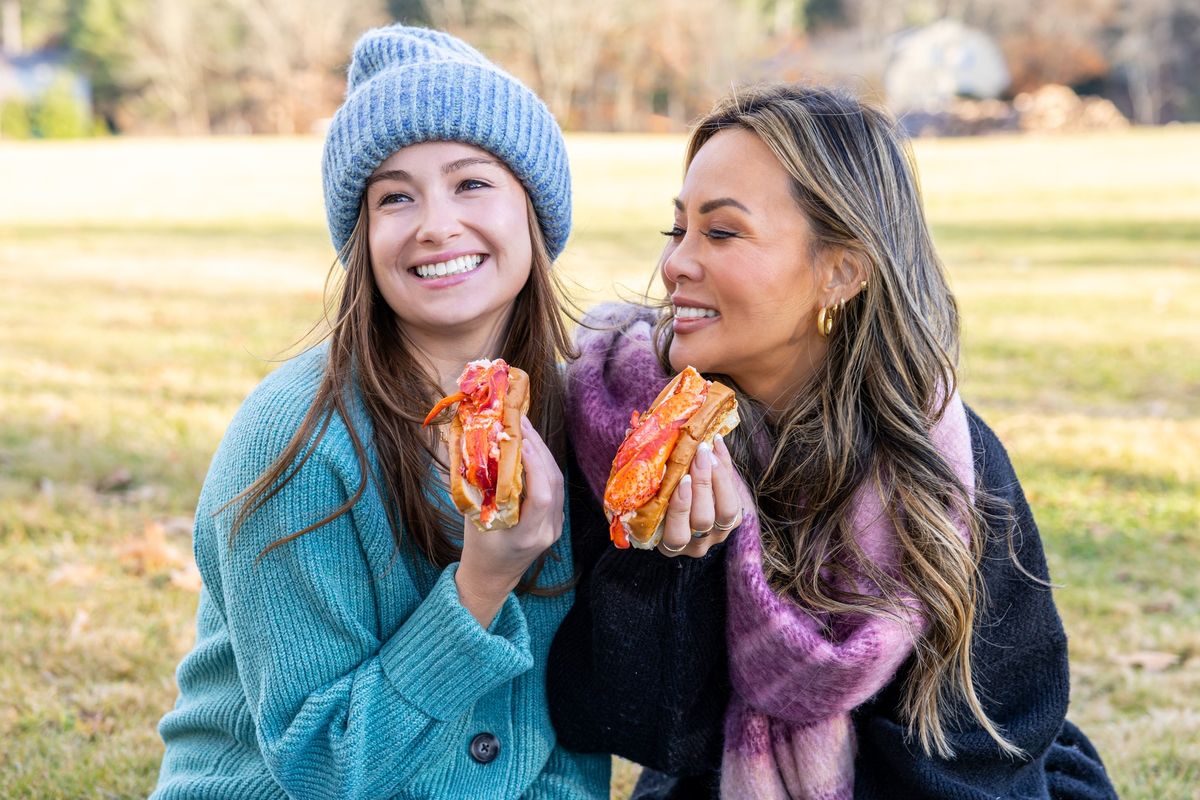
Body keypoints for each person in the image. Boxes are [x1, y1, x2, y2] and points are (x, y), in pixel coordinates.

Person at [548, 84, 1118, 799]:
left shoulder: (944, 470)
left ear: (841, 271)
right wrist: (666, 566)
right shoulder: (626, 427)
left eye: (720, 233)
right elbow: (629, 727)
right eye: (678, 229)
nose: (675, 265)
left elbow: (986, 746)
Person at [151, 25, 609, 800]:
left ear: (532, 208)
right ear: (362, 239)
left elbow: (565, 737)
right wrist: (480, 587)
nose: (435, 223)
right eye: (395, 196)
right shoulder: (294, 443)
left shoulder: (581, 419)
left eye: (471, 183)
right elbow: (321, 766)